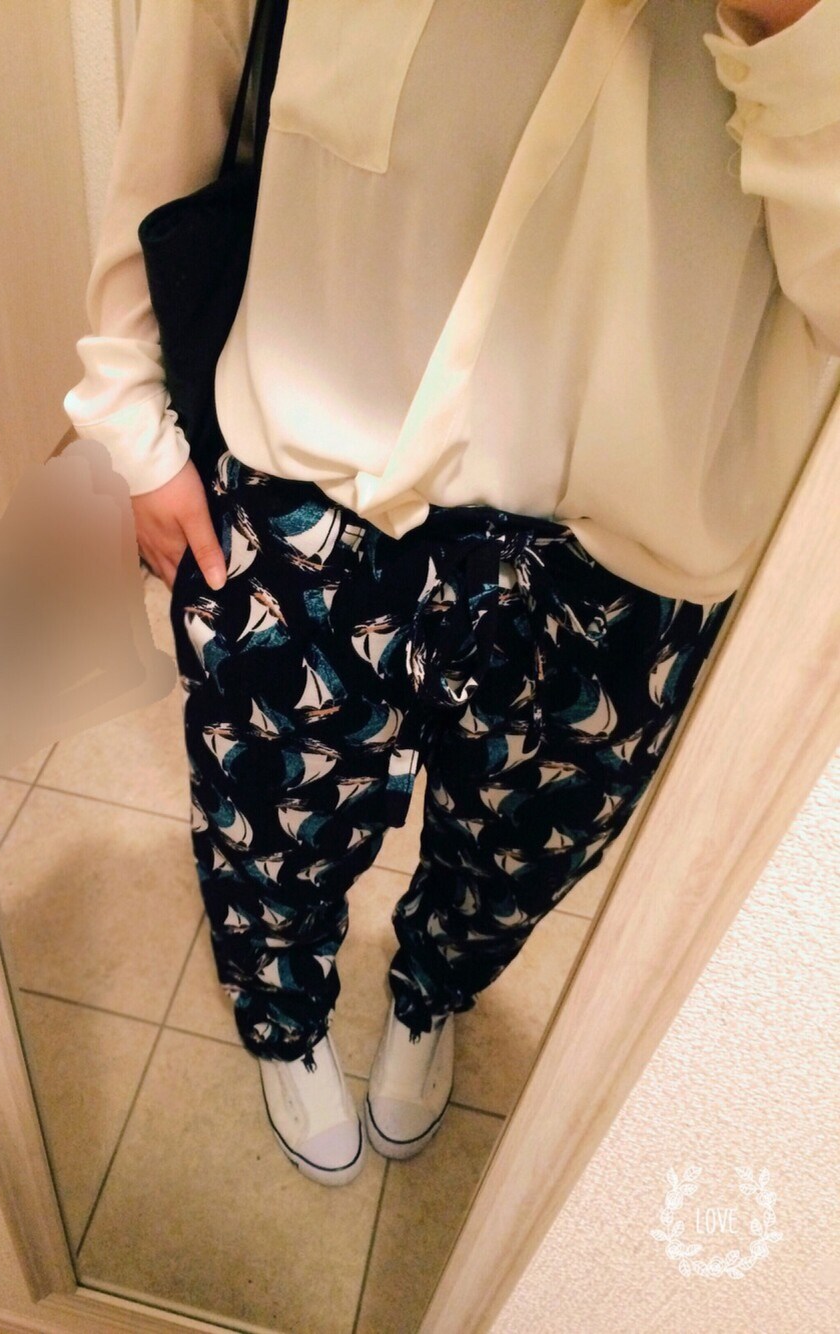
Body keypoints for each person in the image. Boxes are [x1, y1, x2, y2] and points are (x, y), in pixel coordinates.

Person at [64, 0, 840, 1186]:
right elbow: (191, 64)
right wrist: (131, 416)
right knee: (265, 837)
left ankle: (431, 993)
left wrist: (792, 34)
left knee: (510, 867)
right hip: (312, 476)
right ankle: (283, 1015)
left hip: (631, 547)